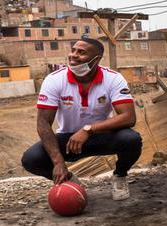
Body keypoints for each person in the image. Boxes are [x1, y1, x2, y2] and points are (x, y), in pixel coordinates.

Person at [21, 38, 142, 201]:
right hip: (68, 139)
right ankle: (71, 181)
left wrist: (89, 129)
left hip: (102, 135)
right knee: (31, 159)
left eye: (82, 52)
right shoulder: (54, 79)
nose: (73, 56)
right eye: (73, 50)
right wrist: (58, 162)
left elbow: (128, 117)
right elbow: (43, 123)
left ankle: (120, 176)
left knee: (131, 140)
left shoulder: (113, 78)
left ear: (96, 59)